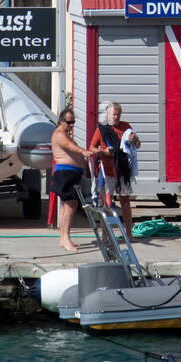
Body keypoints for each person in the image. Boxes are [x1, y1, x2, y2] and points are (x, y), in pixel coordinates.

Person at [88, 101, 142, 241]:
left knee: (125, 201)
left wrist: (135, 139)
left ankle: (129, 234)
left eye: (118, 114)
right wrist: (104, 152)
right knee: (107, 204)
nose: (116, 117)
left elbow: (138, 145)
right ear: (109, 114)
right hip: (107, 171)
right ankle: (105, 235)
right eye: (114, 114)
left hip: (123, 170)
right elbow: (92, 148)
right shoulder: (101, 129)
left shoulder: (126, 127)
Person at [50, 108, 92, 252]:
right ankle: (65, 238)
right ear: (61, 121)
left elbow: (71, 145)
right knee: (70, 205)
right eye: (69, 122)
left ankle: (63, 238)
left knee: (68, 205)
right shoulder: (59, 134)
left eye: (73, 122)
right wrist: (82, 152)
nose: (71, 125)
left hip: (70, 173)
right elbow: (69, 146)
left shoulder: (65, 134)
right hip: (64, 173)